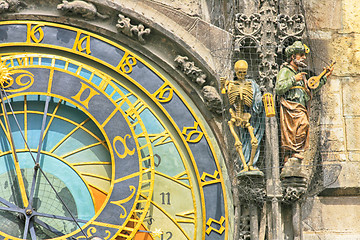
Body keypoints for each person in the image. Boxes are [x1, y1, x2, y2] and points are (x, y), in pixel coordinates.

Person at [275, 41, 334, 163]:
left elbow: (311, 88)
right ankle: (290, 154)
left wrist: (324, 77)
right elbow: (279, 88)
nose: (304, 58)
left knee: (304, 125)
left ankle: (295, 151)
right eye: (301, 55)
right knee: (296, 128)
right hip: (289, 107)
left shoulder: (301, 75)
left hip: (300, 107)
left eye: (304, 55)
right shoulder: (286, 71)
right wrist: (293, 79)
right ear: (293, 56)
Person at [221, 60, 265, 173]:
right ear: (235, 72)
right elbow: (226, 98)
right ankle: (244, 164)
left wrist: (263, 99)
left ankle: (251, 163)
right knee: (242, 140)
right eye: (239, 72)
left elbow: (257, 99)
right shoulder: (232, 84)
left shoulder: (252, 84)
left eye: (243, 72)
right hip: (237, 116)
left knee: (253, 139)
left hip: (250, 116)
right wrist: (223, 85)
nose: (241, 74)